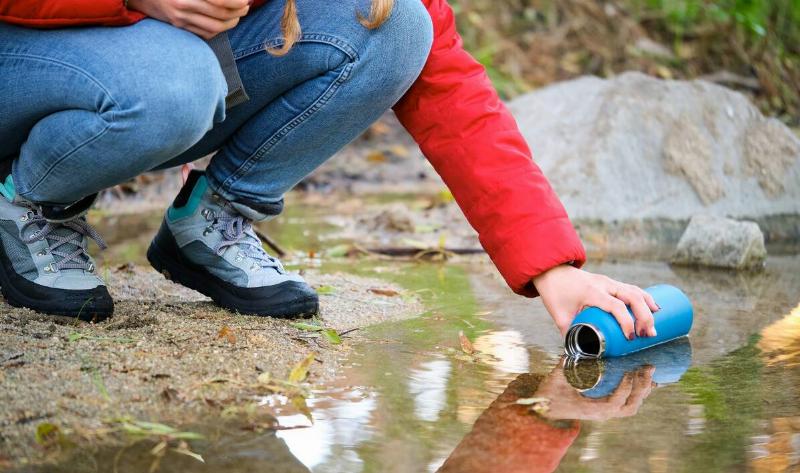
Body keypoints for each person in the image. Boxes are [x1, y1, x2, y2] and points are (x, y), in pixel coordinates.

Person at [0, 0, 658, 339]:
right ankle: (31, 202)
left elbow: (451, 90)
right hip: (28, 51)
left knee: (394, 26)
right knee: (177, 81)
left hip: (161, 75)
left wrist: (552, 267)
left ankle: (214, 222)